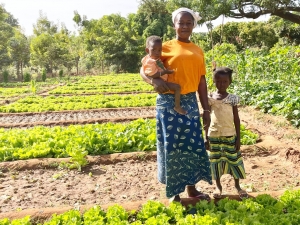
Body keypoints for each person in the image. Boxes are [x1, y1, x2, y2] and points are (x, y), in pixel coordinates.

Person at [140, 7, 212, 203]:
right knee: (171, 147)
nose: (185, 26)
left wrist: (205, 108)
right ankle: (175, 193)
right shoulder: (165, 47)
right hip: (168, 102)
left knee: (191, 146)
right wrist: (153, 81)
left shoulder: (198, 50)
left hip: (189, 101)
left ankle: (192, 189)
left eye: (189, 23)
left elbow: (202, 81)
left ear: (193, 26)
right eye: (181, 23)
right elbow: (144, 68)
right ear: (174, 25)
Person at [204, 67, 248, 199]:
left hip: (230, 134)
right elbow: (205, 118)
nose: (221, 84)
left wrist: (238, 138)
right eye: (218, 81)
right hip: (214, 134)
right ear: (213, 81)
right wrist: (206, 136)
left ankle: (237, 186)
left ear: (229, 82)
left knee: (233, 160)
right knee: (216, 161)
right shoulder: (210, 98)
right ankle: (218, 186)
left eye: (224, 81)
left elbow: (236, 118)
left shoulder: (232, 99)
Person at [141, 36, 187, 115]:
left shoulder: (152, 58)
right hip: (162, 84)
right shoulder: (150, 61)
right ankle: (177, 106)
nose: (157, 52)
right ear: (147, 50)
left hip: (164, 83)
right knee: (177, 87)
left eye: (159, 50)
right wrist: (165, 72)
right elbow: (151, 74)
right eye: (154, 50)